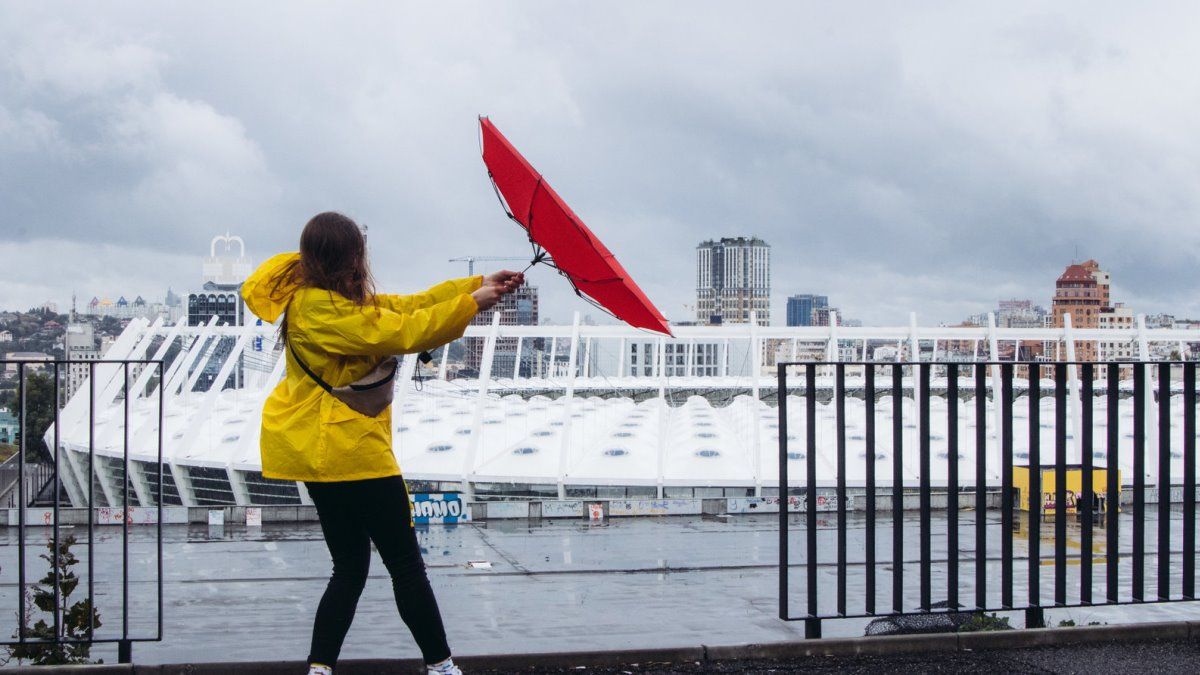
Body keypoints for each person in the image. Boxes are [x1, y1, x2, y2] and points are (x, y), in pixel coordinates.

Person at [241, 211, 522, 675]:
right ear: (351, 256)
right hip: (352, 451)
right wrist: (472, 303)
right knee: (406, 566)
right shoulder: (321, 310)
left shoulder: (321, 302)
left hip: (321, 457)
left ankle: (320, 668)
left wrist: (475, 285)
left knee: (349, 569)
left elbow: (406, 306)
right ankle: (441, 666)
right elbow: (403, 331)